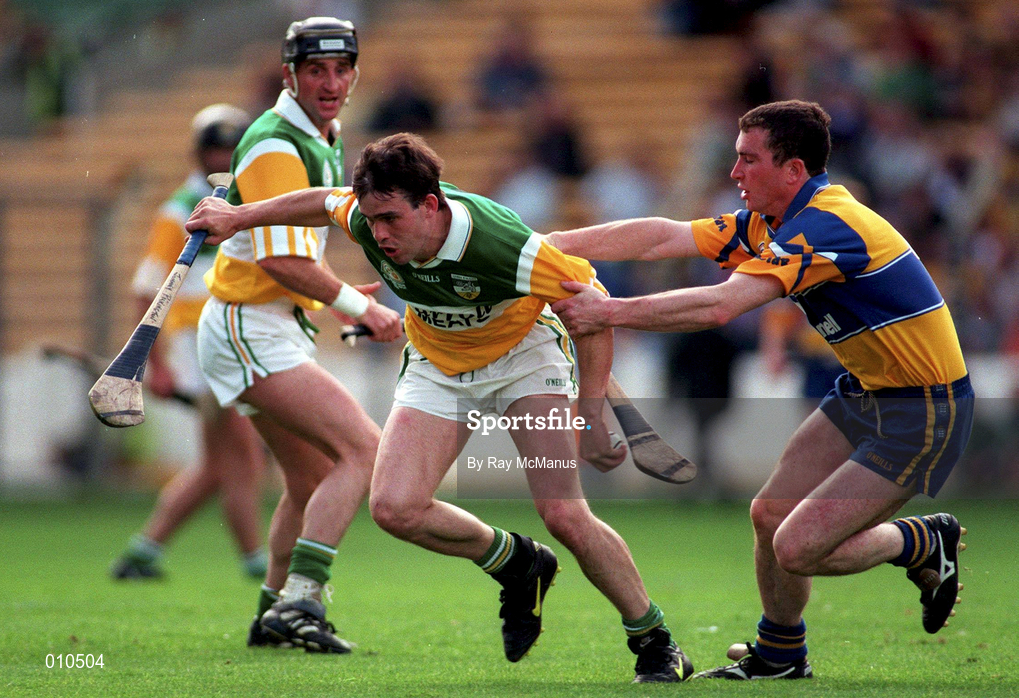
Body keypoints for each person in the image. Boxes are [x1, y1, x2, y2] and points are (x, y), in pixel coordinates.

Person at [186, 132, 695, 683]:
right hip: (436, 362)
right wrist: (240, 216)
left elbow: (593, 313)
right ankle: (519, 562)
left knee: (565, 515)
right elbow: (319, 199)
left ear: (431, 205)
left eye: (391, 220)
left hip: (525, 358)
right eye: (371, 220)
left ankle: (655, 640)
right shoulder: (364, 215)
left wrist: (591, 415)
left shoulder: (504, 245)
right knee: (394, 508)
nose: (378, 235)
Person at [546, 100, 973, 680]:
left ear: (793, 170)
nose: (734, 172)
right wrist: (546, 244)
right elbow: (660, 238)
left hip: (922, 408)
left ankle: (917, 541)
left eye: (748, 160)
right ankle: (780, 656)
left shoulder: (827, 225)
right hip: (865, 390)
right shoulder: (773, 223)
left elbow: (722, 305)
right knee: (770, 514)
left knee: (796, 547)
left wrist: (609, 311)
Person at [196, 17, 403, 653]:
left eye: (342, 70)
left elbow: (290, 250)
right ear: (290, 73)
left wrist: (337, 300)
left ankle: (272, 618)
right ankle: (302, 605)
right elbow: (280, 262)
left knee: (311, 480)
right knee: (365, 454)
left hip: (265, 322)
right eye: (316, 70)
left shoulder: (321, 132)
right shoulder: (278, 143)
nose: (331, 82)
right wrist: (357, 308)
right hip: (248, 327)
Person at [111, 103, 269, 581]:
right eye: (213, 148)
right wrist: (154, 364)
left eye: (230, 148)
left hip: (230, 340)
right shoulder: (180, 210)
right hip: (200, 347)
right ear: (198, 154)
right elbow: (147, 290)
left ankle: (144, 551)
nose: (221, 156)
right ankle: (256, 563)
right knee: (241, 455)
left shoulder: (247, 202)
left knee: (218, 463)